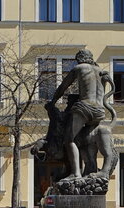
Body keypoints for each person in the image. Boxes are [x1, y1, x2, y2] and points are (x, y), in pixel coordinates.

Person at [48, 49, 115, 181]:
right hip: (100, 111)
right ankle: (91, 169)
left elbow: (63, 87)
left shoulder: (79, 68)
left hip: (84, 108)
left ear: (80, 59)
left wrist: (53, 101)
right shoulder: (100, 71)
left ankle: (76, 173)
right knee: (88, 139)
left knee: (69, 139)